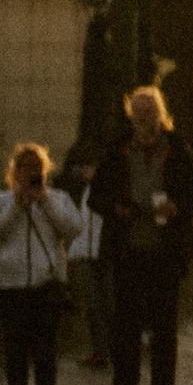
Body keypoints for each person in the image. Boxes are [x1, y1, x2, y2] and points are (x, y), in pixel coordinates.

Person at [90, 85, 193, 385]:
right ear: (131, 116)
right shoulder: (117, 151)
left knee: (164, 332)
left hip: (165, 253)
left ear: (160, 114)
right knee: (124, 333)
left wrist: (177, 208)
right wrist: (116, 208)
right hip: (127, 252)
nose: (143, 118)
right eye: (138, 113)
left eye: (149, 112)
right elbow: (95, 197)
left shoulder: (179, 150)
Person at [0, 143, 83, 385]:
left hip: (46, 284)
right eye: (25, 168)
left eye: (36, 168)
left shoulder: (57, 199)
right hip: (9, 286)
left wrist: (44, 201)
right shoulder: (1, 200)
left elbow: (73, 228)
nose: (31, 173)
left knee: (46, 352)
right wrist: (16, 208)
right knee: (15, 352)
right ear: (15, 172)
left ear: (45, 171)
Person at [65, 151, 113, 368]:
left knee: (110, 304)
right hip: (87, 254)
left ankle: (113, 349)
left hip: (106, 254)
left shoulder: (111, 191)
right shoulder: (87, 192)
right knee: (94, 306)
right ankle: (100, 351)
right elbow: (83, 227)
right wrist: (73, 254)